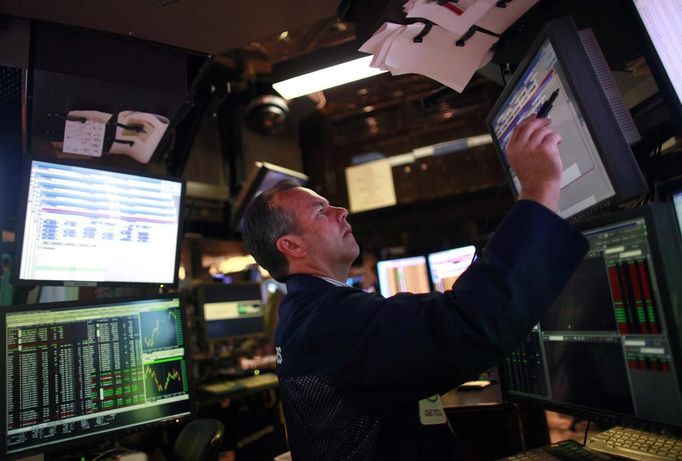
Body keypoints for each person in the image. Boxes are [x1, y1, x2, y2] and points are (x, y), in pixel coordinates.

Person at [241, 116, 589, 460]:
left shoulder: (307, 311)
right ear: (292, 247)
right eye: (321, 211)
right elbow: (468, 323)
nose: (341, 211)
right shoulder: (328, 318)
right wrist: (537, 191)